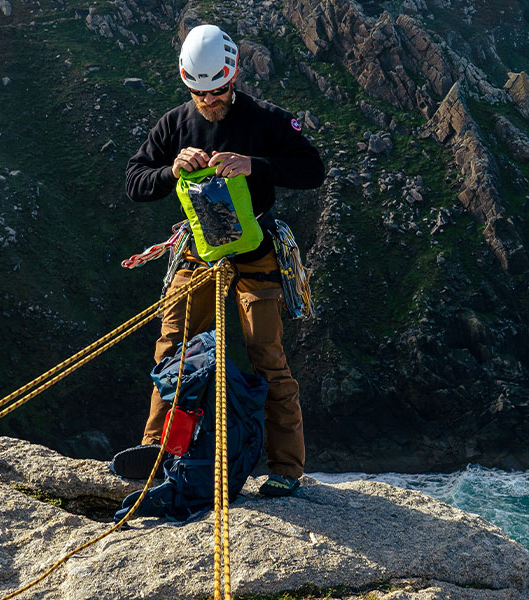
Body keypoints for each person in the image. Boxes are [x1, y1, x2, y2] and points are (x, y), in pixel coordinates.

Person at [115, 24, 325, 497]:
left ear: (232, 79)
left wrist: (257, 165)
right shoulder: (175, 124)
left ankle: (286, 468)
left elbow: (313, 169)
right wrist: (170, 170)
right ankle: (159, 451)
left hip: (255, 249)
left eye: (216, 91)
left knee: (266, 355)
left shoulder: (268, 119)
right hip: (199, 249)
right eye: (198, 92)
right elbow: (135, 180)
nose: (207, 101)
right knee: (174, 349)